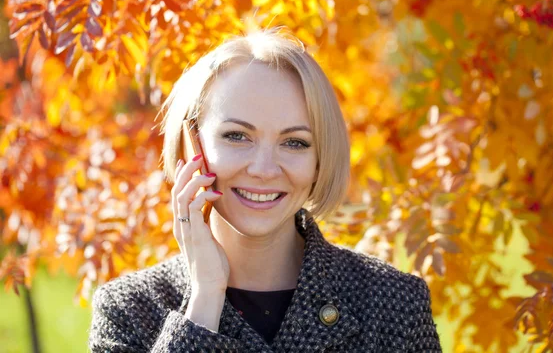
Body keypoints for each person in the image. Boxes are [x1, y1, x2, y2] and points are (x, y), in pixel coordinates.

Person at [88, 29, 442, 352]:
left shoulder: (395, 304)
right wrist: (205, 300)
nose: (264, 169)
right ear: (190, 146)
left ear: (320, 159)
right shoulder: (128, 311)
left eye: (294, 142)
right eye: (237, 136)